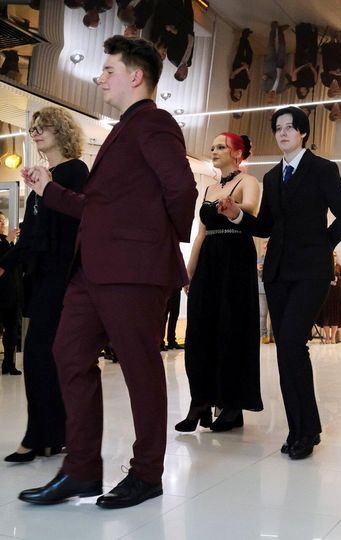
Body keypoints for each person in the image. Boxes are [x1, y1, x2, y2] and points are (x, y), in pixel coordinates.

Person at [19, 35, 197, 508]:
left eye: (108, 70)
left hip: (133, 271)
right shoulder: (123, 131)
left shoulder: (153, 122)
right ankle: (80, 469)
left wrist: (155, 239)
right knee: (68, 353)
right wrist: (48, 191)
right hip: (94, 271)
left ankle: (148, 473)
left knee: (140, 370)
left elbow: (182, 190)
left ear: (135, 76)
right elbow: (100, 210)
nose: (100, 79)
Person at [218, 106, 341, 460]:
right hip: (278, 274)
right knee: (286, 350)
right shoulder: (271, 176)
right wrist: (236, 215)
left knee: (293, 343)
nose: (282, 133)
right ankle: (299, 428)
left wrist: (321, 247)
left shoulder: (322, 169)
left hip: (310, 273)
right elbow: (265, 225)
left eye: (290, 127)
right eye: (278, 128)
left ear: (303, 133)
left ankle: (307, 430)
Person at [1, 108, 88, 462]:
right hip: (42, 279)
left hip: (64, 278)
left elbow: (77, 222)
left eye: (42, 127)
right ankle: (50, 436)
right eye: (33, 128)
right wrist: (5, 264)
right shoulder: (41, 179)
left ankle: (40, 436)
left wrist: (47, 187)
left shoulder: (75, 171)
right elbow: (29, 236)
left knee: (40, 355)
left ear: (62, 131)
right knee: (43, 358)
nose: (35, 132)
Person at [175, 132, 262, 433]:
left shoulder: (248, 181)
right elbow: (201, 232)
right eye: (212, 147)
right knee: (199, 332)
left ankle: (231, 403)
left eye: (221, 147)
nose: (214, 150)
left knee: (231, 329)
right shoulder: (209, 188)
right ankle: (199, 401)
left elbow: (251, 208)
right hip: (210, 257)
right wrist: (189, 269)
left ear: (237, 153)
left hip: (235, 257)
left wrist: (232, 205)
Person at [0, 212, 21, 376]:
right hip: (1, 294)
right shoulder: (5, 242)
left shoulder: (8, 241)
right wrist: (8, 240)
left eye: (3, 220)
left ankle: (8, 363)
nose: (2, 223)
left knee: (12, 330)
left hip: (12, 294)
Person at [316, 251, 341, 344]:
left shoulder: (339, 267)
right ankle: (327, 337)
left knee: (335, 315)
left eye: (335, 256)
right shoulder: (324, 266)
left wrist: (337, 278)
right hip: (326, 293)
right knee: (326, 315)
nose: (333, 257)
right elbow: (320, 277)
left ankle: (333, 337)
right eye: (332, 256)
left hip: (336, 294)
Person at [261, 22, 290, 104]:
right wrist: (288, 76)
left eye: (269, 98)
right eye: (272, 98)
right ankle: (280, 31)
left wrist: (265, 78)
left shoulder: (264, 88)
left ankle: (273, 29)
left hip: (270, 65)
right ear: (275, 99)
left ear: (266, 97)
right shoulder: (280, 90)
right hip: (280, 66)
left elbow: (264, 78)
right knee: (282, 47)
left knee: (271, 45)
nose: (271, 96)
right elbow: (291, 84)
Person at [289, 23, 318, 100]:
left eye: (302, 92)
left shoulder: (296, 84)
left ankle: (301, 28)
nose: (304, 91)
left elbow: (294, 72)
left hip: (300, 63)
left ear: (299, 91)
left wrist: (303, 66)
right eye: (305, 92)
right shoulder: (311, 84)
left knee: (301, 47)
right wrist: (311, 67)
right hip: (311, 65)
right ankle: (311, 30)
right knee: (312, 48)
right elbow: (315, 74)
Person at [229, 29, 253, 102]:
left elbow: (233, 74)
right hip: (246, 67)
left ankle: (244, 35)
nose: (238, 95)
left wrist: (242, 67)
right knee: (250, 53)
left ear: (233, 94)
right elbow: (249, 78)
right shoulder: (244, 87)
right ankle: (246, 37)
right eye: (239, 96)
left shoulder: (232, 85)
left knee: (241, 50)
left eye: (236, 96)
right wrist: (247, 68)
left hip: (238, 65)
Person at [258, 240, 273, 344]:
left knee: (274, 314)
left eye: (267, 247)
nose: (266, 249)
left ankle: (273, 335)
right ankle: (263, 335)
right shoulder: (259, 260)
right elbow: (259, 275)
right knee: (263, 314)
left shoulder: (274, 259)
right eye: (264, 247)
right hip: (262, 290)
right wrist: (258, 269)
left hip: (273, 289)